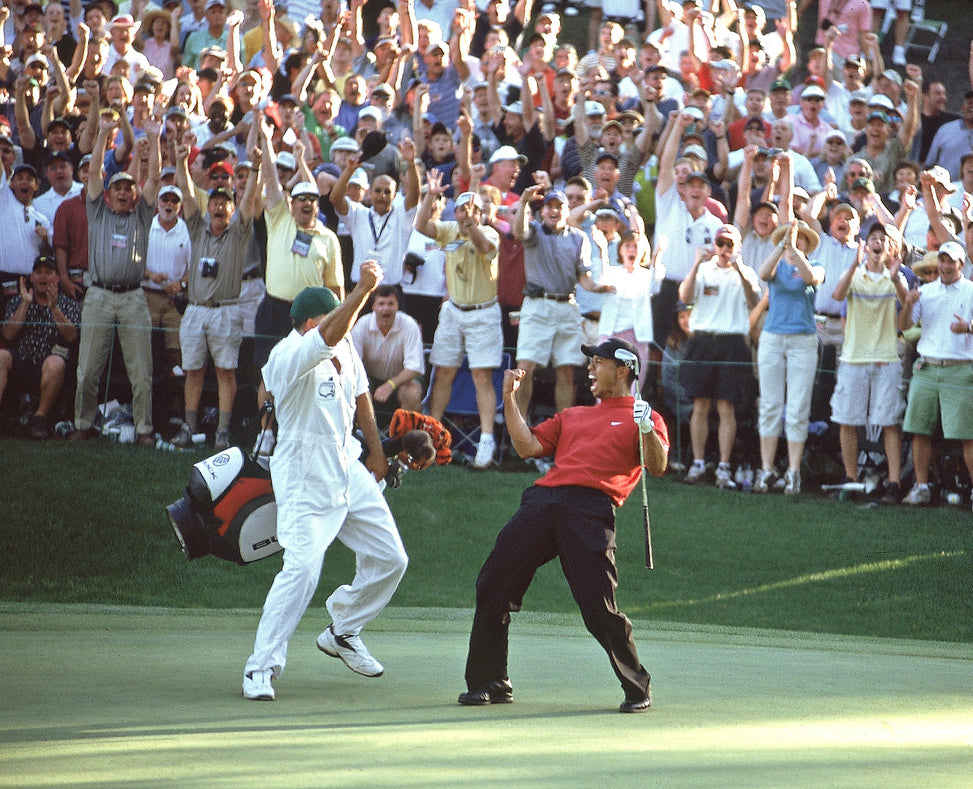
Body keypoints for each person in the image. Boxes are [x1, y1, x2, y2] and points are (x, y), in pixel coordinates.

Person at [458, 337, 669, 714]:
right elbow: (527, 447)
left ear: (623, 370)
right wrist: (508, 398)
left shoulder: (643, 415)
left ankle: (637, 685)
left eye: (598, 362)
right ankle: (491, 680)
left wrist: (647, 429)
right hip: (543, 500)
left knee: (597, 605)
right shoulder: (573, 416)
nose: (590, 368)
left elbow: (657, 465)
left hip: (590, 508)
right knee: (492, 583)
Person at [242, 261, 409, 702]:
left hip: (347, 467)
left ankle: (344, 630)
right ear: (316, 321)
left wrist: (376, 454)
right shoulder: (288, 353)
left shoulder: (346, 348)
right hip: (302, 477)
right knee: (301, 572)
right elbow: (328, 336)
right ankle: (261, 667)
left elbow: (360, 398)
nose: (350, 322)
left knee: (392, 558)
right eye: (342, 315)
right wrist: (364, 289)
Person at [70, 111, 162, 445]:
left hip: (134, 297)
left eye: (128, 188)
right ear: (108, 193)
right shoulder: (97, 210)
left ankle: (144, 429)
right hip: (98, 295)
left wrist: (153, 137)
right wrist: (103, 134)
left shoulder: (143, 214)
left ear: (134, 194)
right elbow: (94, 170)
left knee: (142, 371)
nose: (123, 193)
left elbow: (154, 179)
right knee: (88, 369)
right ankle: (83, 423)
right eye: (117, 188)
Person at [170, 141, 257, 451]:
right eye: (215, 203)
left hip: (226, 310)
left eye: (225, 203)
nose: (219, 207)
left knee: (225, 371)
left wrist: (256, 168)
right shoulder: (197, 228)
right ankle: (189, 428)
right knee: (193, 370)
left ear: (231, 209)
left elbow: (248, 203)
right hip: (195, 309)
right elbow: (188, 194)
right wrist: (181, 163)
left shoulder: (238, 233)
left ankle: (222, 432)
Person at [416, 179, 503, 469]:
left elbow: (482, 246)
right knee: (443, 372)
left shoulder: (489, 232)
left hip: (483, 312)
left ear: (480, 213)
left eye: (473, 210)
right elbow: (421, 226)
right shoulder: (449, 230)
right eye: (462, 210)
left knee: (481, 375)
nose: (467, 214)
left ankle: (487, 439)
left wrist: (471, 226)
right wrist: (430, 195)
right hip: (453, 310)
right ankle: (431, 434)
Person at [512, 186, 612, 420]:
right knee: (524, 369)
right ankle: (519, 428)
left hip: (567, 306)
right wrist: (525, 201)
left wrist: (597, 288)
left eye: (560, 207)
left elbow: (584, 279)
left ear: (568, 211)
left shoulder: (579, 238)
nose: (554, 211)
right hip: (538, 305)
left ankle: (563, 431)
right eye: (550, 207)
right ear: (543, 211)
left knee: (567, 372)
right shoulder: (534, 231)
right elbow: (518, 231)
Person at [830, 223, 909, 502]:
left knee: (889, 422)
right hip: (853, 358)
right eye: (873, 239)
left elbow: (906, 306)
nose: (877, 243)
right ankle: (851, 478)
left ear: (890, 248)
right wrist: (853, 265)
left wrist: (896, 276)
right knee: (848, 420)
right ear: (866, 246)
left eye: (882, 240)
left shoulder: (897, 277)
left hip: (887, 359)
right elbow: (838, 296)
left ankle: (894, 482)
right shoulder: (853, 275)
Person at [678, 224, 761, 488]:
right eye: (720, 244)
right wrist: (694, 266)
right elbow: (685, 296)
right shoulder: (703, 269)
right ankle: (698, 463)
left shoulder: (745, 272)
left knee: (726, 406)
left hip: (732, 343)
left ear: (737, 247)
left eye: (730, 245)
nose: (724, 250)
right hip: (703, 341)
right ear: (714, 245)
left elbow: (753, 300)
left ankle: (724, 466)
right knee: (700, 404)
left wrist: (738, 269)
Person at [897, 241, 973, 507]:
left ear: (961, 265)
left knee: (968, 436)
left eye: (951, 261)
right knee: (919, 431)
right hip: (927, 367)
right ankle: (921, 487)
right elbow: (904, 326)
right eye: (942, 260)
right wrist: (907, 304)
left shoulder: (971, 291)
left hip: (960, 369)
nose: (945, 266)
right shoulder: (925, 291)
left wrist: (969, 328)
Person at [754, 220, 825, 496]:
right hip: (773, 338)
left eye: (800, 239)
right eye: (791, 239)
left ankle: (793, 472)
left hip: (803, 341)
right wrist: (783, 246)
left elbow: (811, 278)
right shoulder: (776, 267)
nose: (795, 242)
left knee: (797, 409)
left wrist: (795, 252)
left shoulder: (815, 265)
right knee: (770, 405)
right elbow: (763, 272)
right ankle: (767, 469)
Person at [0, 255, 81, 438]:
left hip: (50, 364)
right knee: (1, 357)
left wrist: (54, 309)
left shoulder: (68, 304)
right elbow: (7, 334)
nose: (43, 277)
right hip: (21, 360)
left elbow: (71, 337)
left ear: (57, 278)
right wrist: (25, 304)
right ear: (32, 277)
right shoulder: (19, 301)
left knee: (55, 363)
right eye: (38, 272)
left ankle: (40, 418)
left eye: (48, 273)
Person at [350, 283, 425, 414]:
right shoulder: (362, 324)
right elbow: (353, 364)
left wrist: (390, 385)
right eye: (381, 304)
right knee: (352, 388)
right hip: (369, 378)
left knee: (412, 392)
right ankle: (358, 433)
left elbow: (414, 368)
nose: (386, 309)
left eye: (391, 304)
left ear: (397, 306)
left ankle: (409, 434)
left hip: (402, 380)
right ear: (373, 306)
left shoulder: (409, 325)